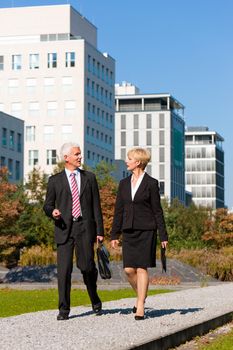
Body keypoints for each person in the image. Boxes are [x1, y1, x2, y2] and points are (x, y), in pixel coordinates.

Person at [43, 142, 104, 320]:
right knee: (64, 271)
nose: (80, 157)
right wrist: (52, 212)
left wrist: (100, 231)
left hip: (85, 228)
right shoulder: (54, 181)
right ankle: (64, 310)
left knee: (86, 267)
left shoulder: (89, 178)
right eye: (76, 154)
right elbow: (47, 205)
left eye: (80, 154)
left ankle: (94, 297)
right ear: (66, 158)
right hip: (63, 228)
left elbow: (96, 207)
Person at [111, 147, 168, 320]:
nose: (126, 161)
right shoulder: (123, 184)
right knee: (129, 270)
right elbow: (119, 211)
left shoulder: (151, 183)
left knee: (142, 268)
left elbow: (157, 211)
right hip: (128, 231)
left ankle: (140, 305)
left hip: (147, 230)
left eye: (129, 159)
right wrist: (114, 234)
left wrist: (163, 236)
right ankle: (141, 295)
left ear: (138, 162)